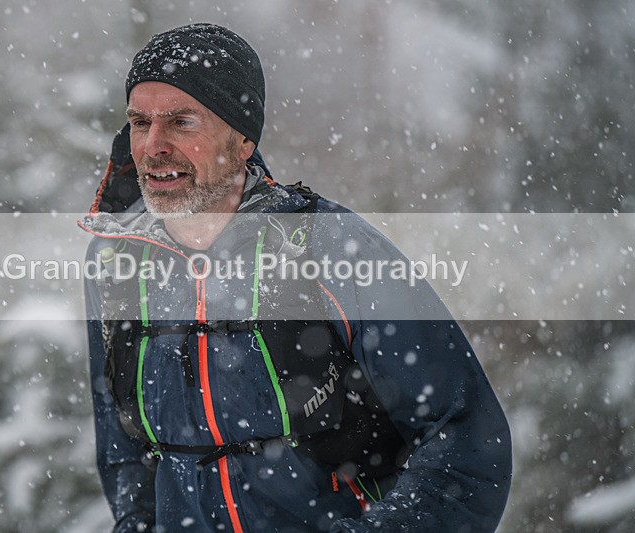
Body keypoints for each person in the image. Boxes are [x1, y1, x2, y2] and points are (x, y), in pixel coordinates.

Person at [80, 23, 511, 532]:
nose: (152, 145)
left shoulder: (329, 247)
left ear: (242, 141)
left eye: (181, 122)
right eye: (139, 122)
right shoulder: (115, 264)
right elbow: (126, 451)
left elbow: (464, 439)